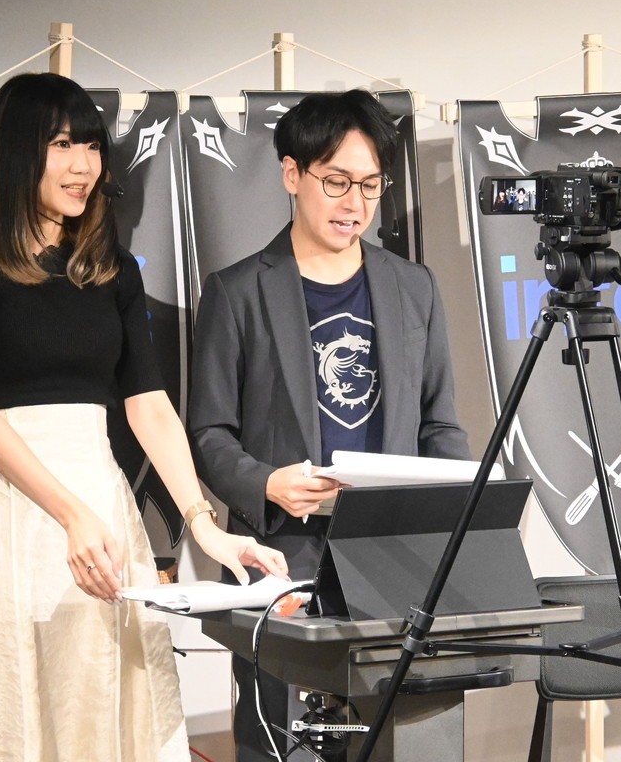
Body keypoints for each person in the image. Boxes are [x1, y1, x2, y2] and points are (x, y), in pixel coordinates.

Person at [0, 72, 288, 762]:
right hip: (10, 510)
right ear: (17, 151)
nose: (84, 165)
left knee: (100, 708)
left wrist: (204, 526)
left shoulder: (110, 268)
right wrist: (70, 515)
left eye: (91, 146)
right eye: (62, 145)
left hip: (103, 510)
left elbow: (149, 406)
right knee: (6, 714)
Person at [187, 89, 471, 761]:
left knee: (399, 739)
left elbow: (440, 427)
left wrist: (454, 519)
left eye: (370, 185)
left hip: (392, 555)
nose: (355, 203)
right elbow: (208, 434)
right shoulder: (237, 291)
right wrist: (267, 484)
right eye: (337, 181)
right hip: (283, 555)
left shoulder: (413, 286)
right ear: (293, 174)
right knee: (283, 741)